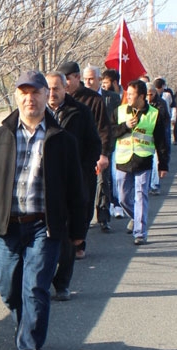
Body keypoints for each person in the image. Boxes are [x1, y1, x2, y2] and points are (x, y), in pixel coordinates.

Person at [0, 70, 86, 350]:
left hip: (44, 227)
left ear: (45, 96)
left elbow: (77, 189)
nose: (30, 98)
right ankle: (26, 328)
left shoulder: (62, 139)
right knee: (10, 292)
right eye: (23, 93)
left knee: (36, 289)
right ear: (16, 97)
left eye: (35, 92)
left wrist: (78, 232)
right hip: (7, 228)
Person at [45, 71, 100, 302]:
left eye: (56, 88)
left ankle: (63, 283)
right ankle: (41, 280)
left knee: (67, 237)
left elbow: (94, 145)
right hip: (46, 185)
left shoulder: (80, 113)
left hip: (71, 184)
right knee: (45, 236)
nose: (52, 93)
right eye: (47, 89)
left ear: (65, 88)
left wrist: (81, 171)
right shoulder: (38, 115)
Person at [57, 61, 111, 259]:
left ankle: (80, 241)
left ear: (76, 78)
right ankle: (65, 242)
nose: (65, 85)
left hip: (84, 162)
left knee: (84, 201)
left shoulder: (93, 101)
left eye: (67, 80)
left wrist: (103, 154)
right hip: (62, 164)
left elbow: (103, 129)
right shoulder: (55, 101)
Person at [112, 80, 169, 245]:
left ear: (142, 96)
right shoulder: (120, 111)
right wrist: (124, 126)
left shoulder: (154, 114)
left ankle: (140, 232)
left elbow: (161, 141)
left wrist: (163, 165)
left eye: (131, 94)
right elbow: (109, 131)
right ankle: (136, 218)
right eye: (127, 94)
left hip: (143, 160)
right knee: (122, 197)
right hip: (123, 160)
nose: (128, 97)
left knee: (141, 196)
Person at [83, 65, 119, 233]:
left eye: (92, 79)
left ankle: (103, 216)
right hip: (85, 147)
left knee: (103, 180)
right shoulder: (79, 98)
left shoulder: (111, 98)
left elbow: (113, 123)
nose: (88, 82)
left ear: (99, 79)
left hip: (104, 146)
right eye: (86, 79)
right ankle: (85, 216)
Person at [101, 69, 125, 219]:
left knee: (118, 177)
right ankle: (110, 203)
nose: (103, 85)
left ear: (114, 82)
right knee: (107, 176)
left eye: (106, 83)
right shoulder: (102, 98)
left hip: (123, 143)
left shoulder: (123, 97)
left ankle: (119, 203)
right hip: (108, 142)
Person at [146, 83, 171, 196]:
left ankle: (155, 185)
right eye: (147, 95)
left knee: (156, 161)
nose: (149, 97)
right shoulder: (142, 103)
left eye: (151, 94)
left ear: (155, 93)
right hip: (144, 137)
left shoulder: (161, 103)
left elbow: (163, 119)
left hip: (157, 135)